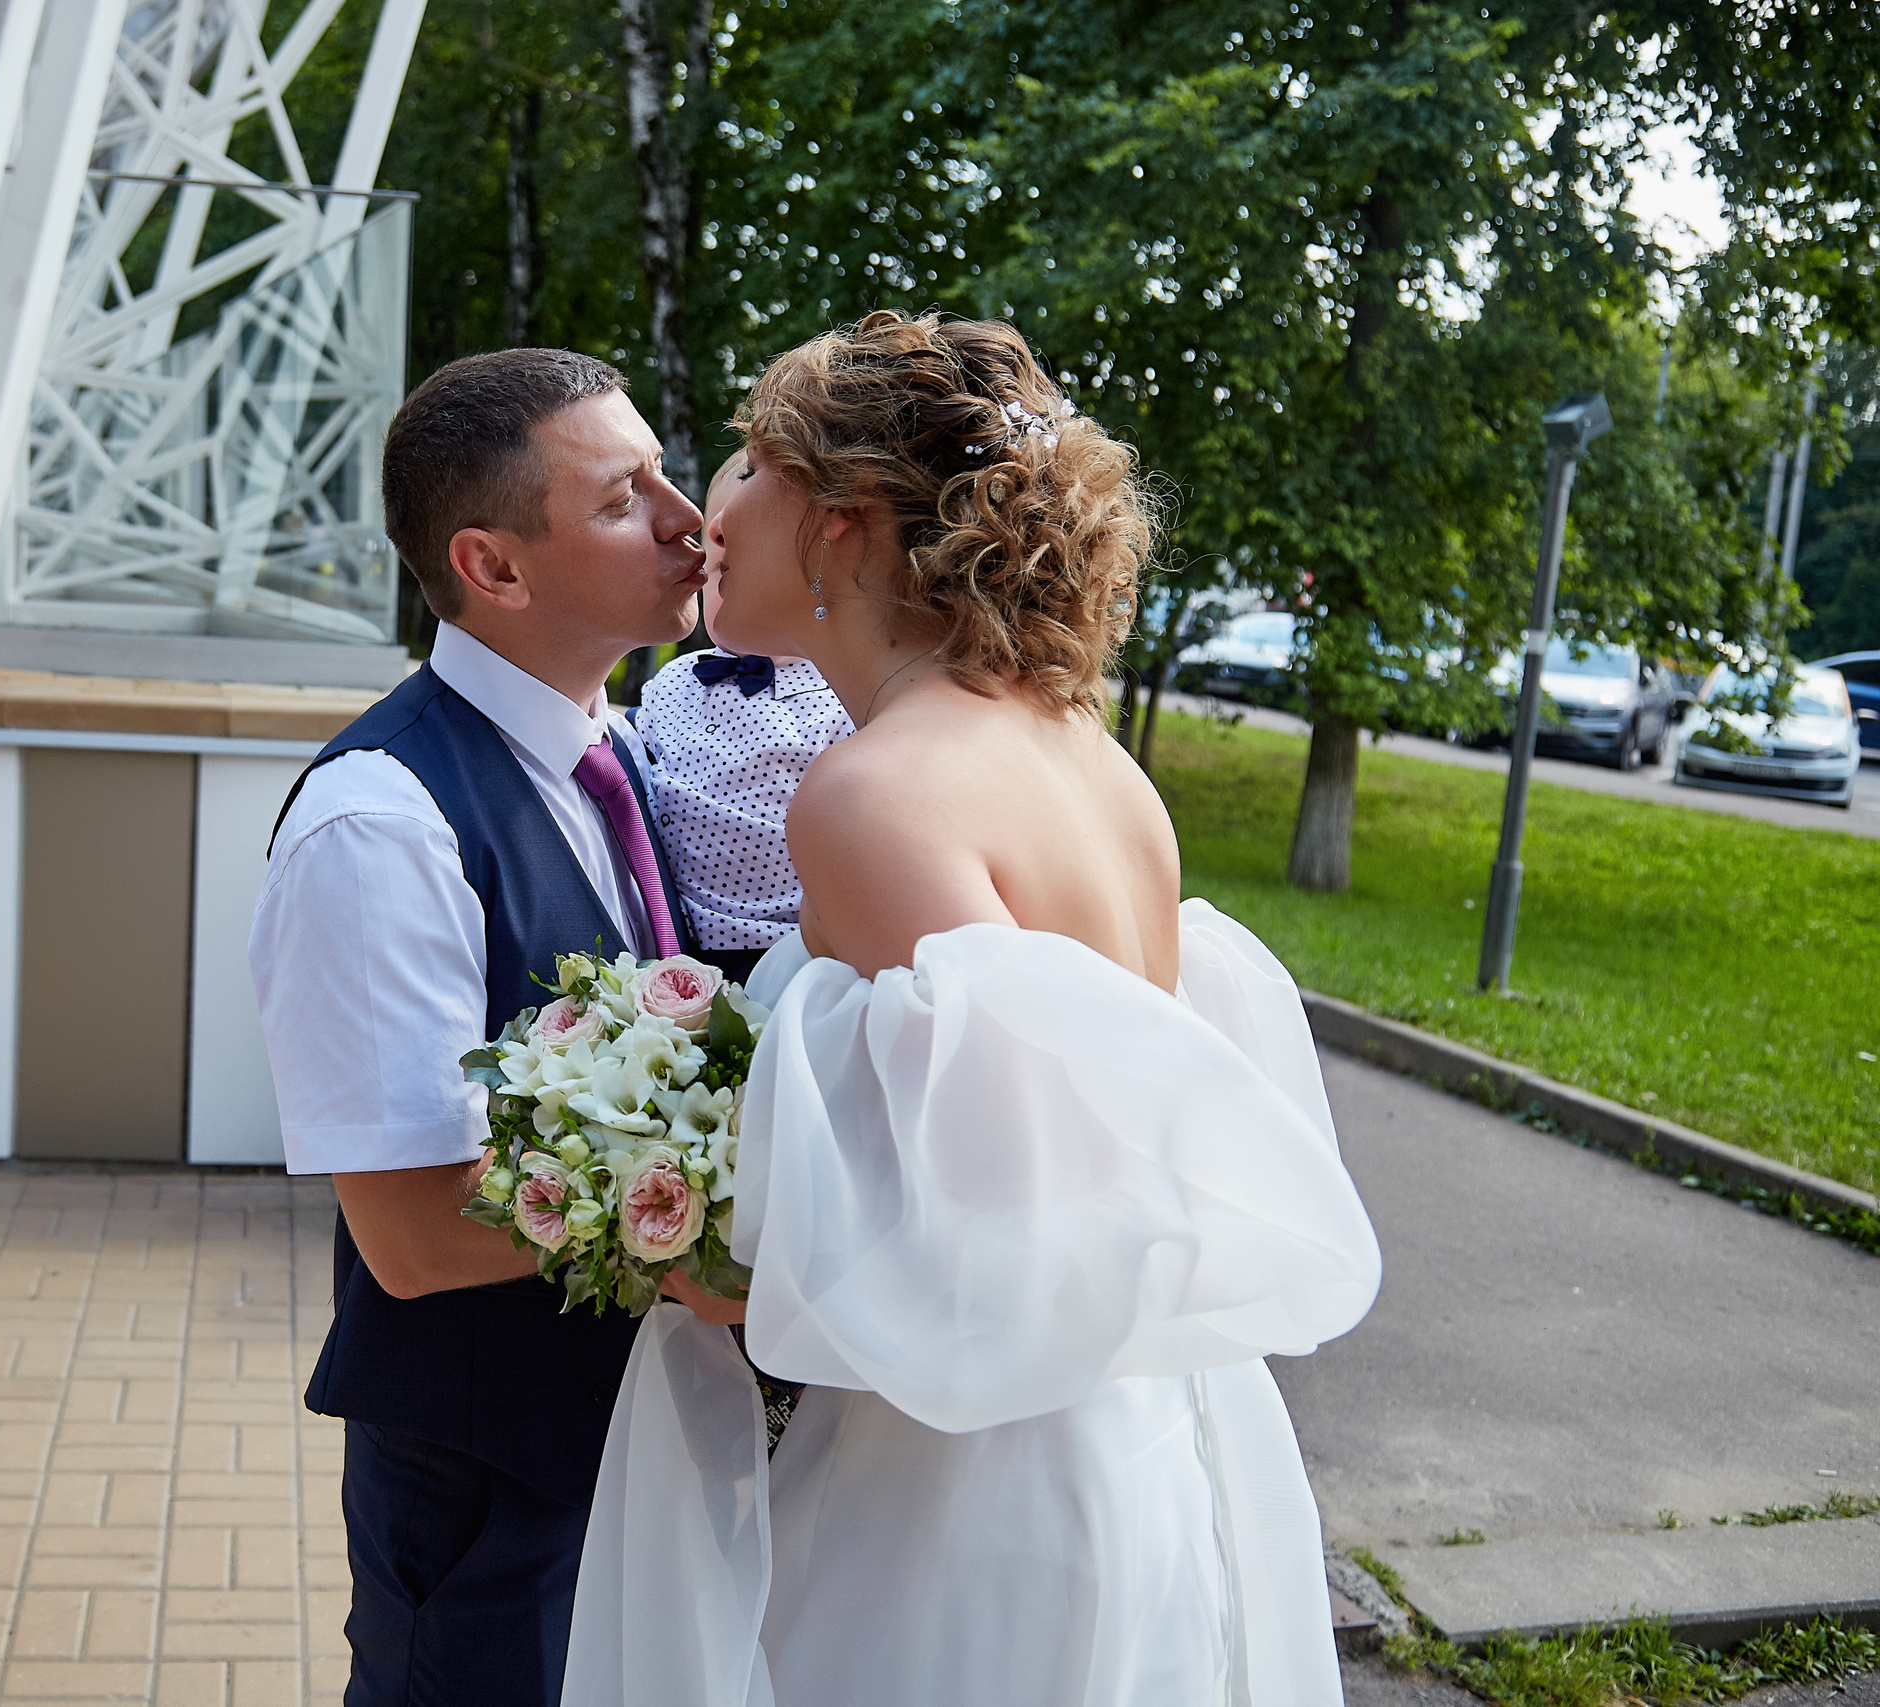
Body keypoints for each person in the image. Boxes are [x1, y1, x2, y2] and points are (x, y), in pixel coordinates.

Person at [563, 311, 1383, 1707]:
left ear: (845, 525)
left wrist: (704, 1266)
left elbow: (1003, 1233)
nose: (714, 507)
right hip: (1127, 1449)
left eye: (755, 469)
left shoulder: (875, 795)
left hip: (966, 1509)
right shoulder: (1091, 760)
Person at [246, 347, 704, 1707]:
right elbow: (413, 1229)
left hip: (622, 1448)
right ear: (495, 569)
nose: (690, 519)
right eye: (627, 499)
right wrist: (721, 1227)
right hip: (492, 1482)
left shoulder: (618, 758)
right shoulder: (379, 821)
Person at [635, 452, 857, 992]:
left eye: (734, 549)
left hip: (799, 957)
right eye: (712, 549)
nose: (713, 567)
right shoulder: (672, 684)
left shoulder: (843, 693)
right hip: (674, 949)